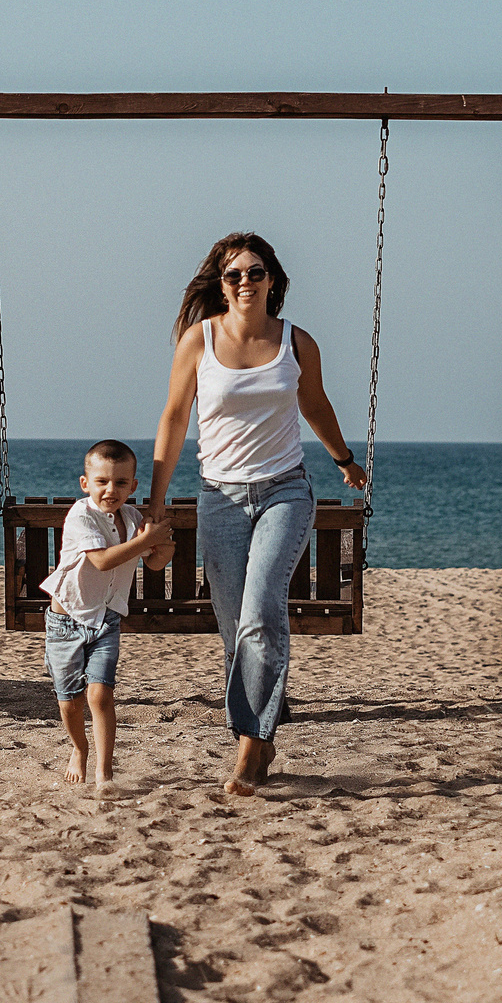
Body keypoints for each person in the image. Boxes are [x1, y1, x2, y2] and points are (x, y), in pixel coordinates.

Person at [146, 233, 366, 796]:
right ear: (220, 286)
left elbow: (314, 403)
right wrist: (156, 499)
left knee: (262, 611)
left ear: (274, 280)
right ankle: (263, 733)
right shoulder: (199, 342)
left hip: (284, 492)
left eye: (255, 272)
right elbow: (174, 418)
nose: (245, 282)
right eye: (233, 275)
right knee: (232, 626)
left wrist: (342, 458)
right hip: (219, 497)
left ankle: (251, 746)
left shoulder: (297, 343)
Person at [43, 439, 175, 791]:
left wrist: (162, 541)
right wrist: (147, 539)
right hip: (66, 621)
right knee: (69, 701)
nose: (110, 490)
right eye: (102, 481)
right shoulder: (81, 515)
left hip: (106, 621)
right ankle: (79, 748)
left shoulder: (133, 519)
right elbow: (101, 560)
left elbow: (157, 563)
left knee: (100, 695)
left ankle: (104, 772)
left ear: (133, 486)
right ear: (86, 483)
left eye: (120, 483)